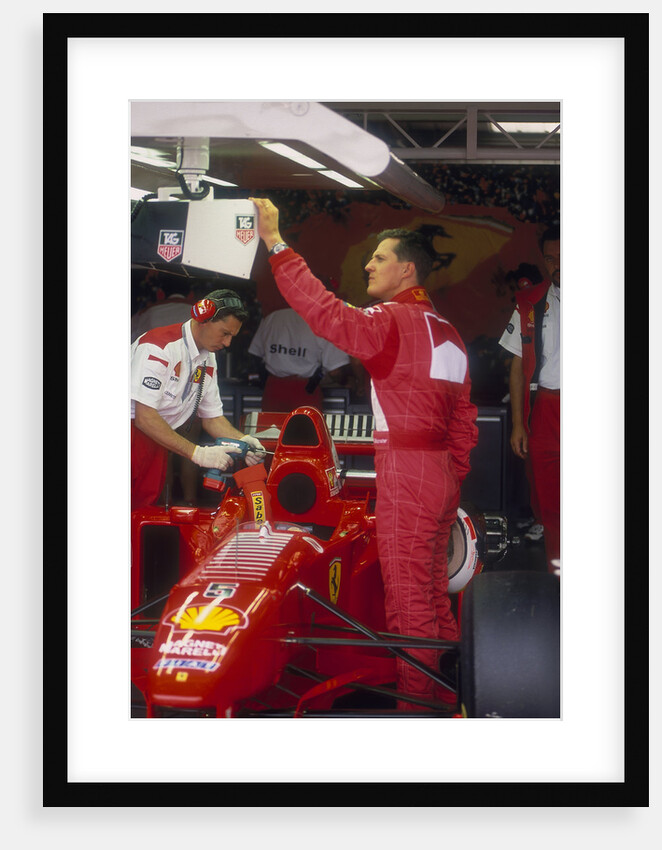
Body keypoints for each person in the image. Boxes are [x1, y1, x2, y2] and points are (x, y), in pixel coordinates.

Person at [250, 197, 478, 710]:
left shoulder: (391, 321)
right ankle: (448, 690)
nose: (368, 264)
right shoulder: (449, 331)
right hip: (439, 471)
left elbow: (325, 313)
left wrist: (277, 245)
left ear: (407, 269)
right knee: (433, 587)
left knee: (408, 592)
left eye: (379, 257)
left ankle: (418, 707)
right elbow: (465, 420)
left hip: (409, 468)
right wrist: (451, 474)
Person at [131, 288, 265, 511]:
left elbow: (212, 418)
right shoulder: (158, 347)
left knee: (143, 514)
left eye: (232, 336)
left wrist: (245, 441)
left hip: (156, 441)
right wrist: (198, 453)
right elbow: (144, 418)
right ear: (203, 320)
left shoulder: (207, 358)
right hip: (131, 437)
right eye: (224, 333)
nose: (228, 343)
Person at [499, 225, 560, 571]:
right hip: (546, 409)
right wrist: (518, 425)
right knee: (548, 504)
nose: (558, 265)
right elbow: (517, 365)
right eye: (551, 258)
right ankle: (562, 574)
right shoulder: (530, 302)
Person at [248, 306, 352, 412]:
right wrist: (348, 382)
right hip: (305, 391)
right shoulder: (323, 322)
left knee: (271, 427)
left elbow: (255, 353)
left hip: (273, 389)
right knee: (306, 427)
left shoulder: (273, 317)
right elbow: (335, 371)